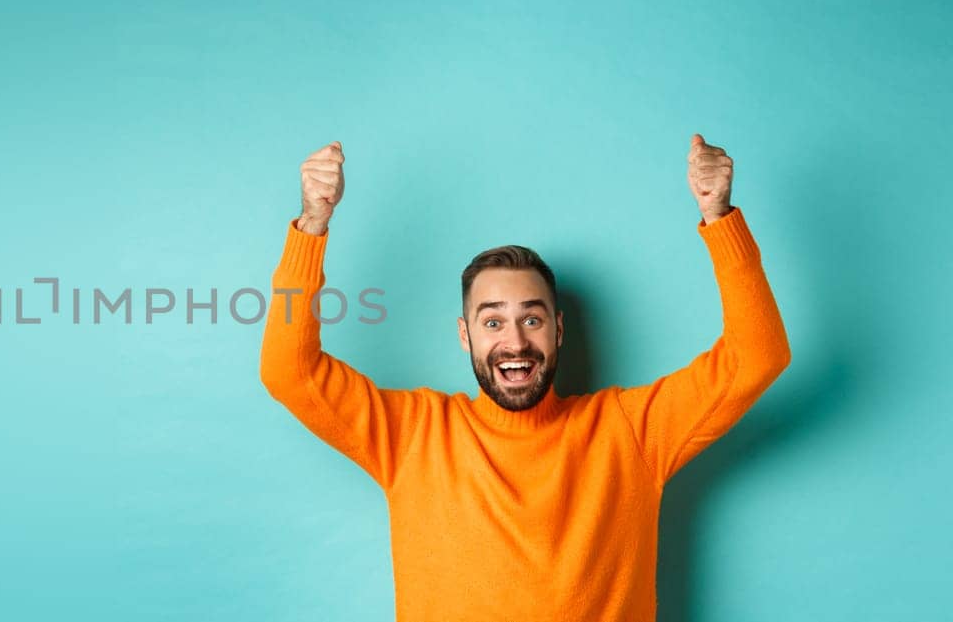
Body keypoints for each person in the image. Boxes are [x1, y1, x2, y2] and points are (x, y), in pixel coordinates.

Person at [258, 134, 791, 621]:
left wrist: (720, 219)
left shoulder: (630, 430)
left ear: (558, 330)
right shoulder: (411, 434)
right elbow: (289, 371)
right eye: (492, 322)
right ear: (466, 336)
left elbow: (757, 355)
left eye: (531, 319)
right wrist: (311, 227)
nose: (514, 342)